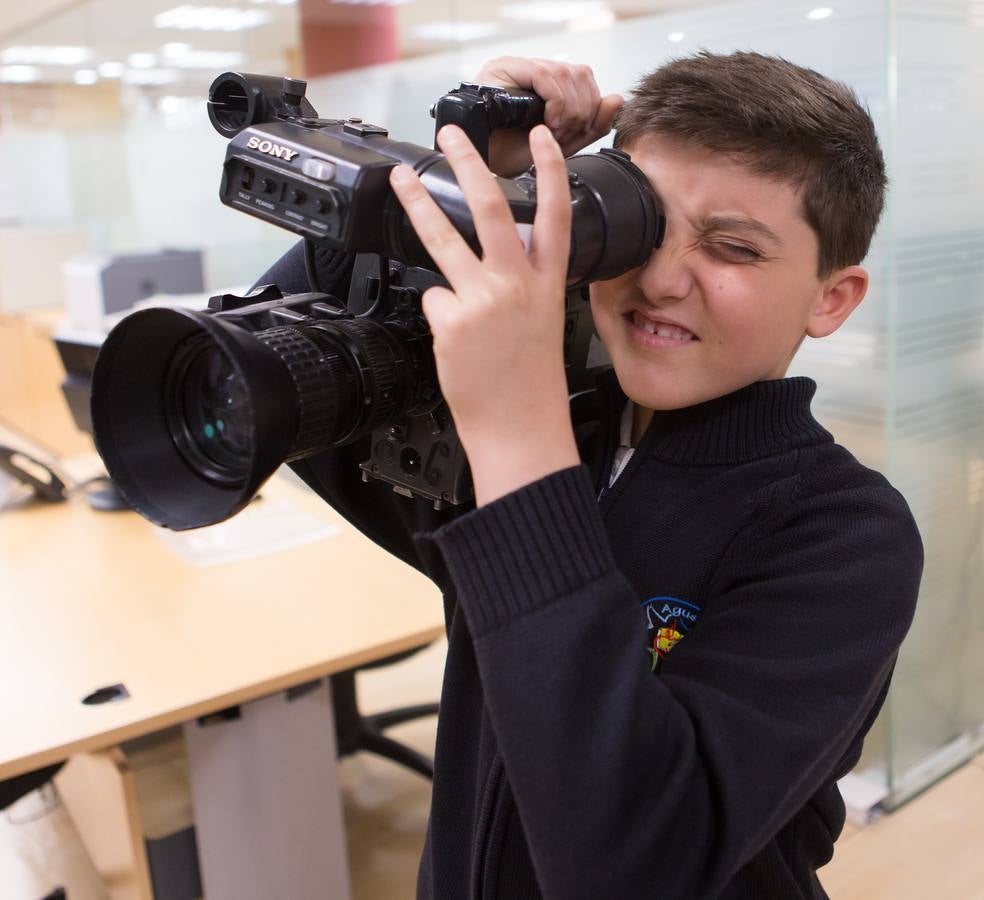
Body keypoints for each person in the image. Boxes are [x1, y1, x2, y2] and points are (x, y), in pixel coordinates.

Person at [256, 52, 923, 899]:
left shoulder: (844, 535)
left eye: (732, 248)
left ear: (831, 298)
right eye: (643, 226)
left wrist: (519, 438)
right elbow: (281, 378)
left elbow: (631, 863)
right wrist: (472, 195)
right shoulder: (560, 427)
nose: (660, 278)